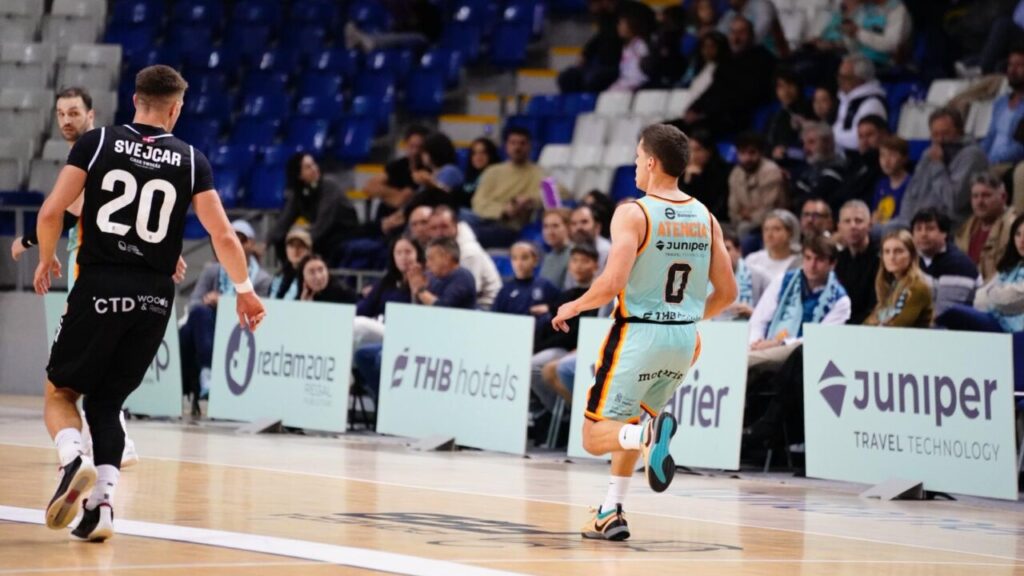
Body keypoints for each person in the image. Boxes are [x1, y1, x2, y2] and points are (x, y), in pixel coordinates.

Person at [34, 65, 265, 542]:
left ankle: (72, 456)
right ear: (176, 110)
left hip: (100, 285)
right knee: (109, 400)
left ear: (133, 99)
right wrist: (245, 292)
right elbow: (222, 234)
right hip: (155, 297)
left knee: (60, 391)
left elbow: (53, 210)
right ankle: (101, 508)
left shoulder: (96, 143)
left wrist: (46, 258)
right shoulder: (191, 160)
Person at [549, 124, 737, 540]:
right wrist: (684, 318)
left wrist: (575, 305)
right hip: (685, 340)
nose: (635, 164)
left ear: (651, 162)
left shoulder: (633, 212)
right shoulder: (706, 216)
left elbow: (613, 281)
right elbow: (728, 293)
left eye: (637, 157)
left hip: (638, 336)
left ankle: (649, 435)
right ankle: (611, 510)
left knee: (596, 434)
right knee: (626, 422)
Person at [10, 87, 183, 469]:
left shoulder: (99, 148)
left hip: (95, 270)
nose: (66, 120)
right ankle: (113, 445)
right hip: (113, 271)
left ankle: (98, 447)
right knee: (102, 369)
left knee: (68, 379)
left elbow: (68, 211)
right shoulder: (116, 149)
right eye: (60, 113)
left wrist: (30, 242)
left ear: (92, 113)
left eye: (74, 112)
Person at [179, 219, 272, 402]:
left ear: (251, 244)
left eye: (242, 239)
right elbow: (194, 302)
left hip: (242, 330)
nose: (236, 243)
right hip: (209, 325)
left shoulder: (262, 279)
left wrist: (224, 302)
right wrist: (207, 300)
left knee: (187, 332)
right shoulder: (212, 270)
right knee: (197, 317)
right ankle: (206, 374)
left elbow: (260, 313)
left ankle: (193, 382)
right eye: (232, 238)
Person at [747, 234, 851, 380]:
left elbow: (819, 340)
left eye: (819, 260)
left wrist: (778, 343)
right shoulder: (784, 280)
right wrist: (755, 342)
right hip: (765, 346)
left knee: (744, 360)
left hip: (801, 352)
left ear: (832, 264)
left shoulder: (840, 300)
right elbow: (759, 320)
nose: (812, 265)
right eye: (808, 258)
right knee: (744, 354)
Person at [531, 243, 602, 419]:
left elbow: (592, 330)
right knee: (533, 365)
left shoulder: (599, 295)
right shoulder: (567, 294)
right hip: (564, 348)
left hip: (582, 348)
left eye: (584, 261)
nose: (578, 265)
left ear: (596, 265)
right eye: (574, 260)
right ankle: (558, 411)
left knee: (543, 367)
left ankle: (571, 415)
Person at [895, 108, 990, 228]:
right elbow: (911, 193)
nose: (940, 139)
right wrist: (908, 222)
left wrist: (938, 166)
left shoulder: (972, 156)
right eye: (935, 135)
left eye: (945, 133)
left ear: (959, 131)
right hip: (916, 222)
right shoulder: (928, 154)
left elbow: (954, 201)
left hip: (946, 225)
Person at [936, 213, 1024, 332]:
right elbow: (979, 298)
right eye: (1018, 234)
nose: (1021, 240)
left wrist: (991, 295)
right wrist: (996, 296)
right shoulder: (1009, 267)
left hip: (1014, 330)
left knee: (954, 314)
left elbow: (1011, 299)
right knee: (949, 318)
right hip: (997, 321)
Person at [269, 153, 359, 264]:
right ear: (299, 175)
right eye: (308, 167)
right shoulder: (298, 193)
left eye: (313, 164)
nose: (314, 169)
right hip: (321, 231)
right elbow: (283, 222)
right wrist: (266, 243)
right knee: (282, 240)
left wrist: (303, 240)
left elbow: (323, 222)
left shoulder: (329, 186)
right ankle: (290, 273)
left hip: (343, 232)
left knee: (317, 243)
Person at [468, 127, 546, 248]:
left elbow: (556, 198)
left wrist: (531, 200)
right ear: (506, 146)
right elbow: (478, 202)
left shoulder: (540, 173)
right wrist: (503, 211)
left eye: (522, 143)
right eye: (513, 143)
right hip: (481, 220)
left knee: (468, 236)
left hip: (509, 228)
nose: (517, 148)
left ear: (529, 146)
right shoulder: (492, 171)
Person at [354, 236, 425, 349]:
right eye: (398, 253)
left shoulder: (426, 279)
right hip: (381, 327)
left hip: (404, 333)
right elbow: (365, 306)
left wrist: (415, 290)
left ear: (418, 254)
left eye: (408, 252)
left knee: (358, 325)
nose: (403, 257)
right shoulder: (388, 280)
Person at [428, 205, 502, 308]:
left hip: (486, 308)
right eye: (434, 228)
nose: (439, 233)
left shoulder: (469, 253)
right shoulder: (437, 249)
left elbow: (468, 292)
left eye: (444, 226)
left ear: (455, 226)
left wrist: (423, 292)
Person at [912, 208, 981, 315]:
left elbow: (945, 313)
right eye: (918, 229)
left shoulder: (958, 264)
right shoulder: (911, 258)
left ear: (944, 233)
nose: (923, 234)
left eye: (930, 229)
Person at [955, 173, 1018, 282]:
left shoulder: (1015, 228)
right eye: (975, 196)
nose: (979, 202)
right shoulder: (966, 228)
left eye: (986, 195)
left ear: (1003, 197)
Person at [864, 229, 933, 327]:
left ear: (912, 255)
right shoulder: (892, 285)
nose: (891, 257)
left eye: (898, 251)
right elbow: (870, 322)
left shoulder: (918, 287)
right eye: (887, 252)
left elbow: (896, 327)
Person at [727, 131, 786, 241]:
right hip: (741, 223)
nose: (747, 158)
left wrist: (749, 215)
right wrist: (741, 216)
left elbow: (768, 210)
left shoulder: (771, 171)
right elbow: (733, 210)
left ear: (760, 153)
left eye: (752, 153)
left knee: (744, 229)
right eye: (743, 153)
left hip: (773, 223)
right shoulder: (735, 174)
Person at [558, 0, 625, 93]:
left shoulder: (627, 14)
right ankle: (573, 104)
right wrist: (585, 54)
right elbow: (600, 37)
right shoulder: (604, 16)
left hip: (618, 64)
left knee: (594, 78)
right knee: (567, 77)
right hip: (601, 63)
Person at [492, 241, 560, 327]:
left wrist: (549, 307)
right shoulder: (505, 289)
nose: (519, 263)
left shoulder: (544, 285)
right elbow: (495, 318)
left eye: (524, 258)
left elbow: (561, 304)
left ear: (535, 260)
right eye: (514, 258)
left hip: (537, 335)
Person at [834, 200, 879, 325]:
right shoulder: (837, 260)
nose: (853, 226)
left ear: (870, 225)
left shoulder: (882, 258)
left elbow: (876, 306)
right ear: (839, 227)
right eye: (847, 221)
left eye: (858, 221)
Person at [980, 45, 1024, 169]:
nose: (1012, 70)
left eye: (1019, 65)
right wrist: (979, 157)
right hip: (989, 162)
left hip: (1011, 165)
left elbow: (1020, 148)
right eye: (1010, 65)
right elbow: (990, 137)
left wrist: (991, 161)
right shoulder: (1001, 102)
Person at [407, 238, 478, 310]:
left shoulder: (463, 277)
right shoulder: (432, 277)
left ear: (446, 258)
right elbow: (419, 308)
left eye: (431, 259)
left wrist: (420, 290)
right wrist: (415, 289)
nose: (427, 264)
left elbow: (444, 309)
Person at [717, 225, 770, 320]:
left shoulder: (759, 276)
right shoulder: (702, 277)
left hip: (749, 329)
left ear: (739, 251)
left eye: (727, 248)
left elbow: (773, 315)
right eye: (717, 250)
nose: (722, 253)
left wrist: (752, 312)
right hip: (710, 330)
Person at [793, 122, 847, 214]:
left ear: (828, 143)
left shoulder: (837, 169)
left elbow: (813, 197)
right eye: (804, 143)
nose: (805, 149)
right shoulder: (810, 169)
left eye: (811, 142)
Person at [679, 128, 731, 221]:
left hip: (713, 221)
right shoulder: (684, 171)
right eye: (690, 150)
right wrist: (687, 181)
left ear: (709, 151)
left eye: (698, 150)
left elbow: (718, 207)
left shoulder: (723, 172)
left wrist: (700, 180)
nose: (693, 155)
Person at [837, 114, 889, 207]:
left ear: (884, 135)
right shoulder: (854, 165)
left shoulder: (887, 168)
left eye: (869, 135)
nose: (864, 141)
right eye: (860, 136)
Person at [766, 69, 814, 165]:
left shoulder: (811, 110)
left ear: (798, 86)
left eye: (790, 85)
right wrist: (772, 152)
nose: (786, 91)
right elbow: (766, 144)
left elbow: (813, 152)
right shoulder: (775, 116)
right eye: (781, 87)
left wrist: (788, 152)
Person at [408, 131, 465, 211]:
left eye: (424, 151)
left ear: (434, 151)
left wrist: (428, 182)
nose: (422, 155)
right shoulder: (431, 174)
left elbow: (441, 195)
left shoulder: (450, 171)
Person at [744, 209, 801, 283]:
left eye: (776, 229)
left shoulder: (799, 263)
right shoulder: (752, 260)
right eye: (766, 229)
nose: (769, 235)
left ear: (790, 233)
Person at [608, 3, 653, 91]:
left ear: (631, 26)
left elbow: (647, 66)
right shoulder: (626, 46)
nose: (618, 27)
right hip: (625, 82)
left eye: (621, 24)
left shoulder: (639, 45)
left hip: (636, 84)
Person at [567, 204, 612, 284]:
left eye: (584, 222)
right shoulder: (571, 248)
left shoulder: (606, 251)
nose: (578, 227)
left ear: (597, 227)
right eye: (574, 223)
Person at [872, 135, 910, 224]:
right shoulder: (881, 184)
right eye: (882, 155)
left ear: (904, 158)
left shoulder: (911, 185)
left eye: (892, 155)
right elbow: (875, 212)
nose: (886, 161)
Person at [269, 227, 312, 300]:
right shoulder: (279, 276)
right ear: (286, 249)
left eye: (300, 246)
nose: (296, 250)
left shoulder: (314, 277)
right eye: (291, 246)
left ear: (309, 250)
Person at [458, 137, 501, 209]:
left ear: (491, 155)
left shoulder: (496, 176)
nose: (478, 157)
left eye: (483, 153)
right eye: (474, 153)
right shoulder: (469, 175)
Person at [540, 208, 573, 288]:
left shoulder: (575, 254)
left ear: (568, 228)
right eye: (546, 226)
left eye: (555, 226)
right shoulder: (548, 257)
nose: (550, 232)